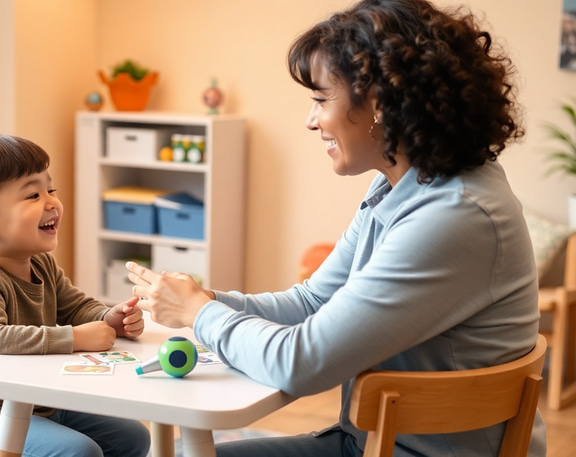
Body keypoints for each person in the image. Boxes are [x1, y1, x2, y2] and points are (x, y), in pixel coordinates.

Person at [126, 0, 545, 456]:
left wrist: (198, 315)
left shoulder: (456, 216)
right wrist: (205, 299)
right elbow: (313, 301)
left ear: (380, 102)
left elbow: (302, 362)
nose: (311, 120)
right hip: (372, 443)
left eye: (321, 99)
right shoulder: (403, 186)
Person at [0, 134, 151, 457]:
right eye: (32, 194)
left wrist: (106, 318)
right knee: (79, 452)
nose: (52, 202)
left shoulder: (40, 263)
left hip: (37, 400)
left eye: (50, 189)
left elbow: (74, 305)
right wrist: (74, 338)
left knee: (133, 437)